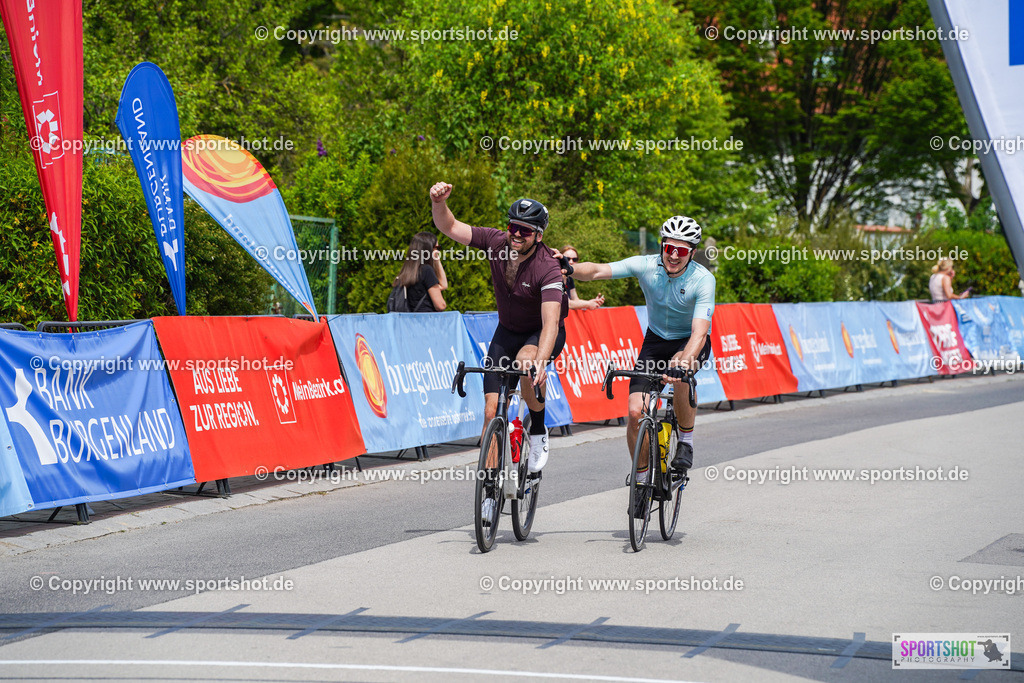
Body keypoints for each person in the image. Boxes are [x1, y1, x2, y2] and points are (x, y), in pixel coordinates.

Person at [563, 216, 714, 513]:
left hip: (689, 340)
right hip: (655, 341)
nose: (673, 255)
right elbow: (596, 271)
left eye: (681, 251)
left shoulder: (703, 279)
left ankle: (686, 441)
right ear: (662, 245)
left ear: (692, 253)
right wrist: (568, 269)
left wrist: (683, 360)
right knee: (635, 411)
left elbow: (700, 332)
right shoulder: (646, 264)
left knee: (681, 373)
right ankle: (642, 481)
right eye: (669, 247)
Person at [429, 182, 568, 490]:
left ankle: (539, 430)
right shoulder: (495, 242)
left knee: (524, 363)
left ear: (539, 236)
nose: (517, 234)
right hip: (507, 331)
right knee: (491, 410)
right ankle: (490, 486)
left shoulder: (547, 268)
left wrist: (541, 361)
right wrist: (438, 203)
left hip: (542, 334)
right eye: (513, 227)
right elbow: (450, 226)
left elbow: (550, 323)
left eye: (526, 231)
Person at [392, 231, 448, 312]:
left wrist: (436, 259)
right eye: (437, 248)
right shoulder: (426, 270)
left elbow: (443, 285)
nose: (438, 252)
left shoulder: (407, 272)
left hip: (411, 321)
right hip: (426, 321)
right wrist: (436, 259)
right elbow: (440, 305)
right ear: (429, 249)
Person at [560, 244, 605, 310]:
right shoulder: (555, 277)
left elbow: (576, 301)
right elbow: (566, 303)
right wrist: (588, 304)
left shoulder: (569, 278)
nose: (571, 262)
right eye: (567, 259)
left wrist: (592, 302)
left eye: (574, 259)